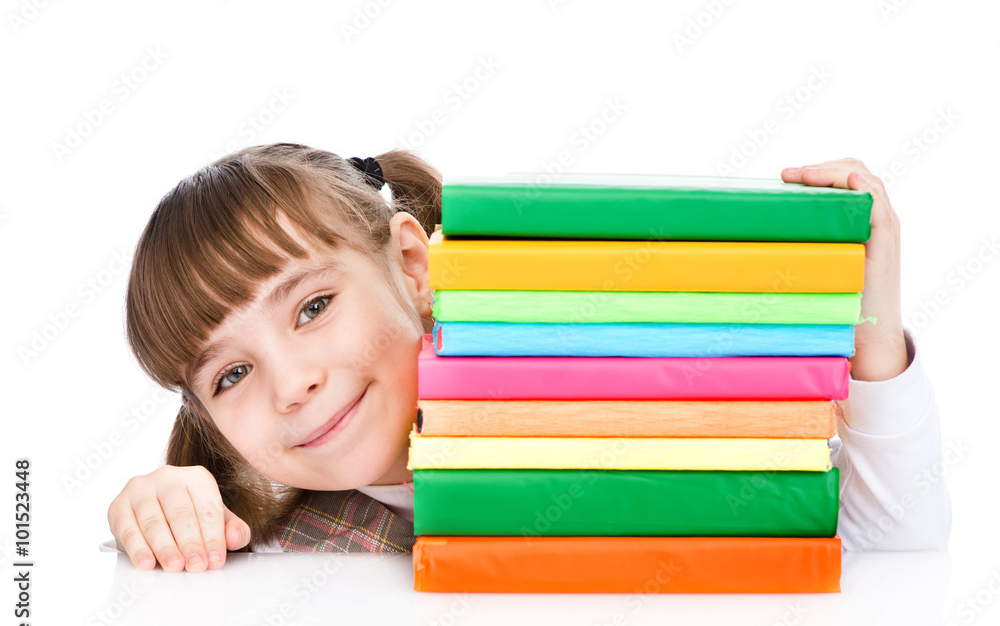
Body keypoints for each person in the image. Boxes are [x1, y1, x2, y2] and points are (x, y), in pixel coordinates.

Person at [105, 147, 951, 572]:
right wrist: (164, 517)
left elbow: (893, 554)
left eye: (314, 307)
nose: (293, 385)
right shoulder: (283, 544)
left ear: (413, 266)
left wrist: (871, 330)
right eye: (231, 375)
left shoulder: (591, 401)